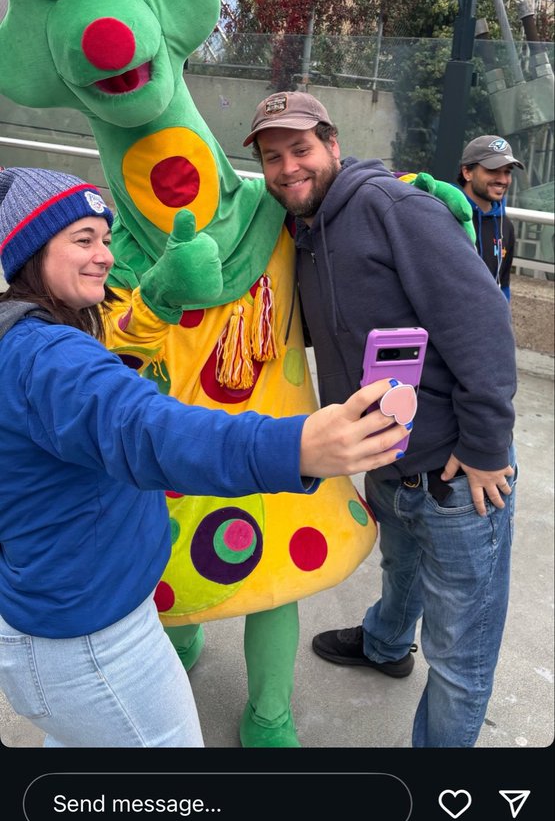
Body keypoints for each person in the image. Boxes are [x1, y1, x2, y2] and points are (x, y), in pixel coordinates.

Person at [0, 166, 410, 750]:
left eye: (105, 238)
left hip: (64, 626)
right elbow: (147, 427)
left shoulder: (31, 337)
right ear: (31, 251)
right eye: (82, 240)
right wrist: (295, 447)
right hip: (92, 642)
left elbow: (102, 406)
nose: (105, 256)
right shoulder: (50, 354)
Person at [245, 91, 518, 749]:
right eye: (272, 158)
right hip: (385, 462)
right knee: (398, 570)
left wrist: (485, 448)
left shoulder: (392, 208)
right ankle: (385, 644)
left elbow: (484, 326)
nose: (288, 168)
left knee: (457, 662)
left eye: (301, 149)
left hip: (457, 475)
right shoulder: (301, 230)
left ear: (332, 145)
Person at [457, 135, 524, 301]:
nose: (502, 180)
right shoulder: (446, 216)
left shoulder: (505, 226)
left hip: (487, 324)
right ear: (467, 172)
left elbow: (504, 285)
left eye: (507, 172)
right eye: (493, 170)